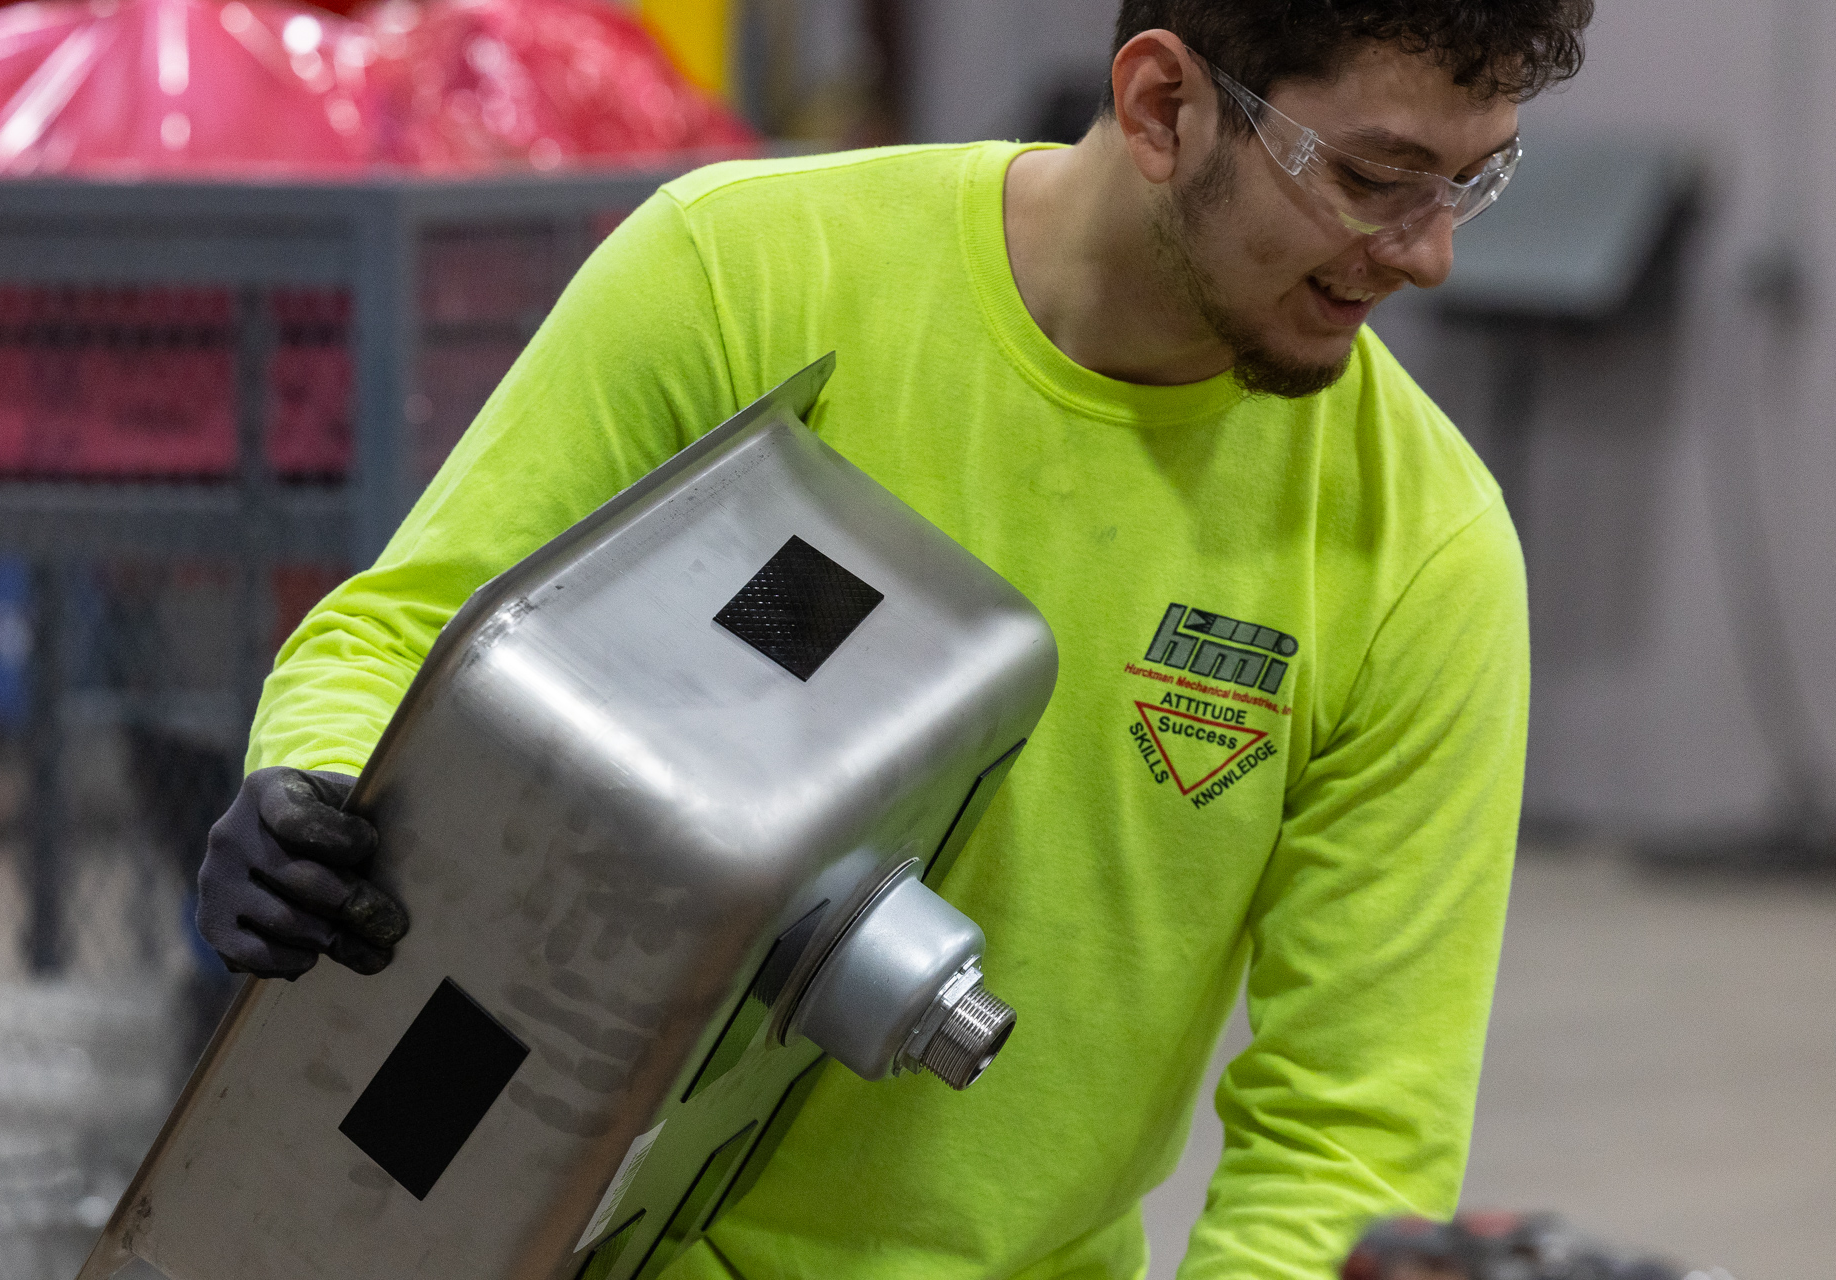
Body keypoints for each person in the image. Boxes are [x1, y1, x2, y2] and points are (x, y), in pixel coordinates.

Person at [196, 1, 1592, 1276]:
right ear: (1165, 106)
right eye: (1372, 177)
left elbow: (1347, 1135)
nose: (1430, 253)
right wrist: (320, 787)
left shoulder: (1417, 553)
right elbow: (420, 629)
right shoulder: (753, 280)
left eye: (1477, 178)